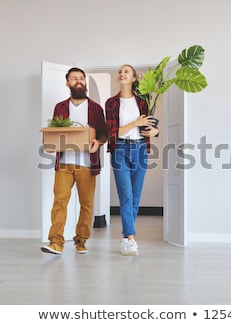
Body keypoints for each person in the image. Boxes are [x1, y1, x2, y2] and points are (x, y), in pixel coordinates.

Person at [41, 67, 107, 255]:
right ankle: (56, 242)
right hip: (64, 163)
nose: (78, 81)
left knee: (87, 204)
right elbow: (55, 133)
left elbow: (103, 134)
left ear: (84, 82)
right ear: (67, 83)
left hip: (87, 163)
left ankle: (81, 240)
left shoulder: (95, 108)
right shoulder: (60, 108)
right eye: (74, 78)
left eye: (81, 78)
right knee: (60, 202)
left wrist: (98, 142)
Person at [106, 64, 159, 256]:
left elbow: (151, 128)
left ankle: (126, 238)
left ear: (134, 78)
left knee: (135, 196)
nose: (121, 74)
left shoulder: (144, 102)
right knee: (126, 195)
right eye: (120, 72)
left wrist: (156, 131)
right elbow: (112, 133)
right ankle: (130, 238)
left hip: (140, 149)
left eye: (126, 71)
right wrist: (135, 123)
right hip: (119, 148)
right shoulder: (111, 103)